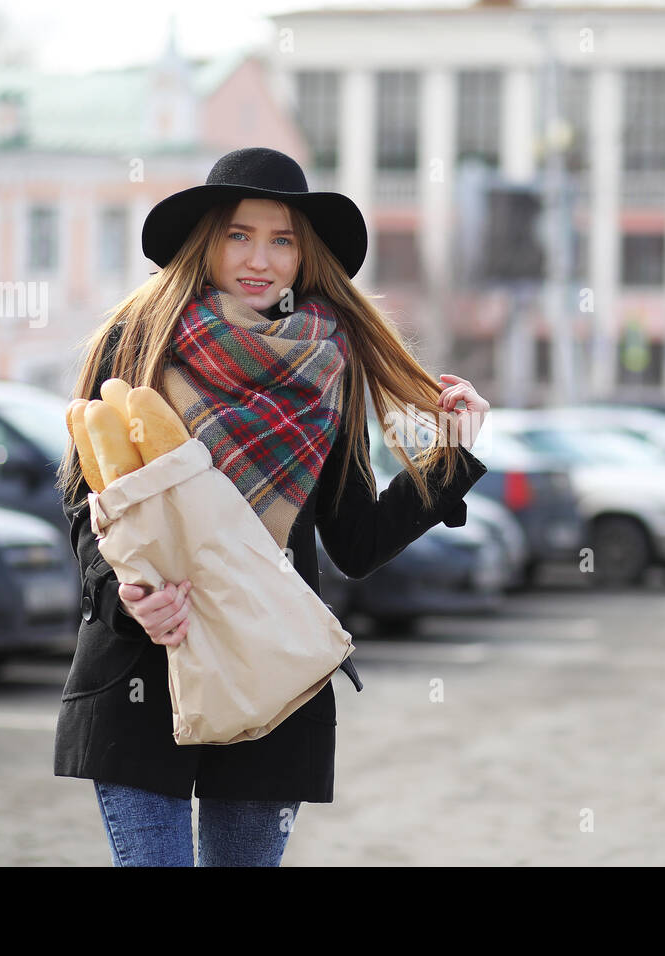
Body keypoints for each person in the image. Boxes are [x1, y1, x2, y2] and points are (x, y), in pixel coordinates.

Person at [53, 146, 491, 866]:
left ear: (304, 253)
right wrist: (126, 594)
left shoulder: (331, 368)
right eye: (239, 234)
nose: (261, 258)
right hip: (141, 671)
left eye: (282, 239)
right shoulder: (138, 342)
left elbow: (355, 540)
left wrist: (449, 459)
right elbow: (86, 501)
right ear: (207, 241)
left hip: (270, 685)